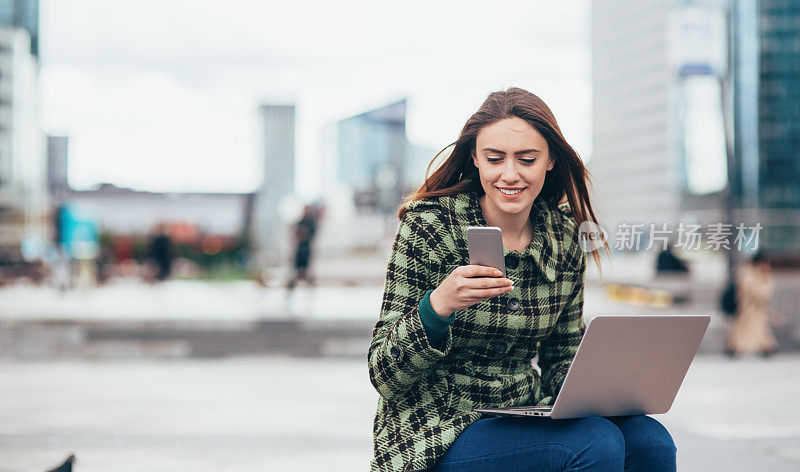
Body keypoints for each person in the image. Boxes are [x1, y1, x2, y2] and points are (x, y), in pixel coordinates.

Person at [367, 88, 676, 472]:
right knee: (594, 444)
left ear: (549, 161)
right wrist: (438, 306)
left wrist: (603, 387)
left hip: (520, 414)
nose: (509, 175)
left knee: (650, 440)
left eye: (526, 159)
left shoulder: (564, 237)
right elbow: (383, 373)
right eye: (494, 159)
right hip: (434, 429)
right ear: (475, 160)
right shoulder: (430, 226)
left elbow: (563, 354)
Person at [724, 251, 777, 357]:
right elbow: (762, 294)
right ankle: (735, 348)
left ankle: (765, 347)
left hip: (756, 312)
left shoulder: (755, 274)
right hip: (747, 311)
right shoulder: (748, 274)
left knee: (758, 332)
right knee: (743, 332)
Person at [286, 205, 318, 292]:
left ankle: (311, 284)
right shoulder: (300, 221)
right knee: (296, 268)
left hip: (306, 248)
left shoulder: (311, 222)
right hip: (299, 248)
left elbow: (311, 233)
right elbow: (295, 232)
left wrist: (304, 233)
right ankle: (291, 284)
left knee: (306, 269)